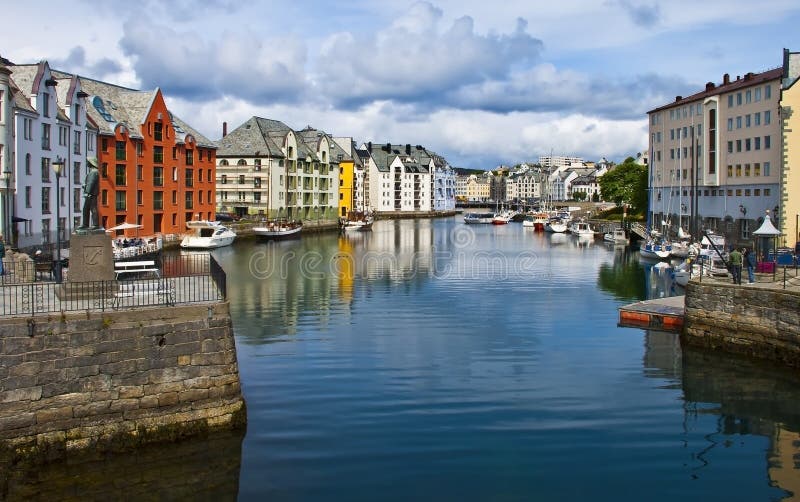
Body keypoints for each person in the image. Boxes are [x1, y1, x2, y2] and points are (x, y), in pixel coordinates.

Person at [80, 157, 100, 229]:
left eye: (87, 161)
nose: (86, 163)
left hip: (91, 194)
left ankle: (95, 224)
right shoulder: (94, 172)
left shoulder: (94, 172)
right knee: (87, 209)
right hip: (91, 193)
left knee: (92, 208)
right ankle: (86, 224)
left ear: (91, 162)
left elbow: (91, 183)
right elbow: (89, 183)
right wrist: (85, 186)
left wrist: (87, 192)